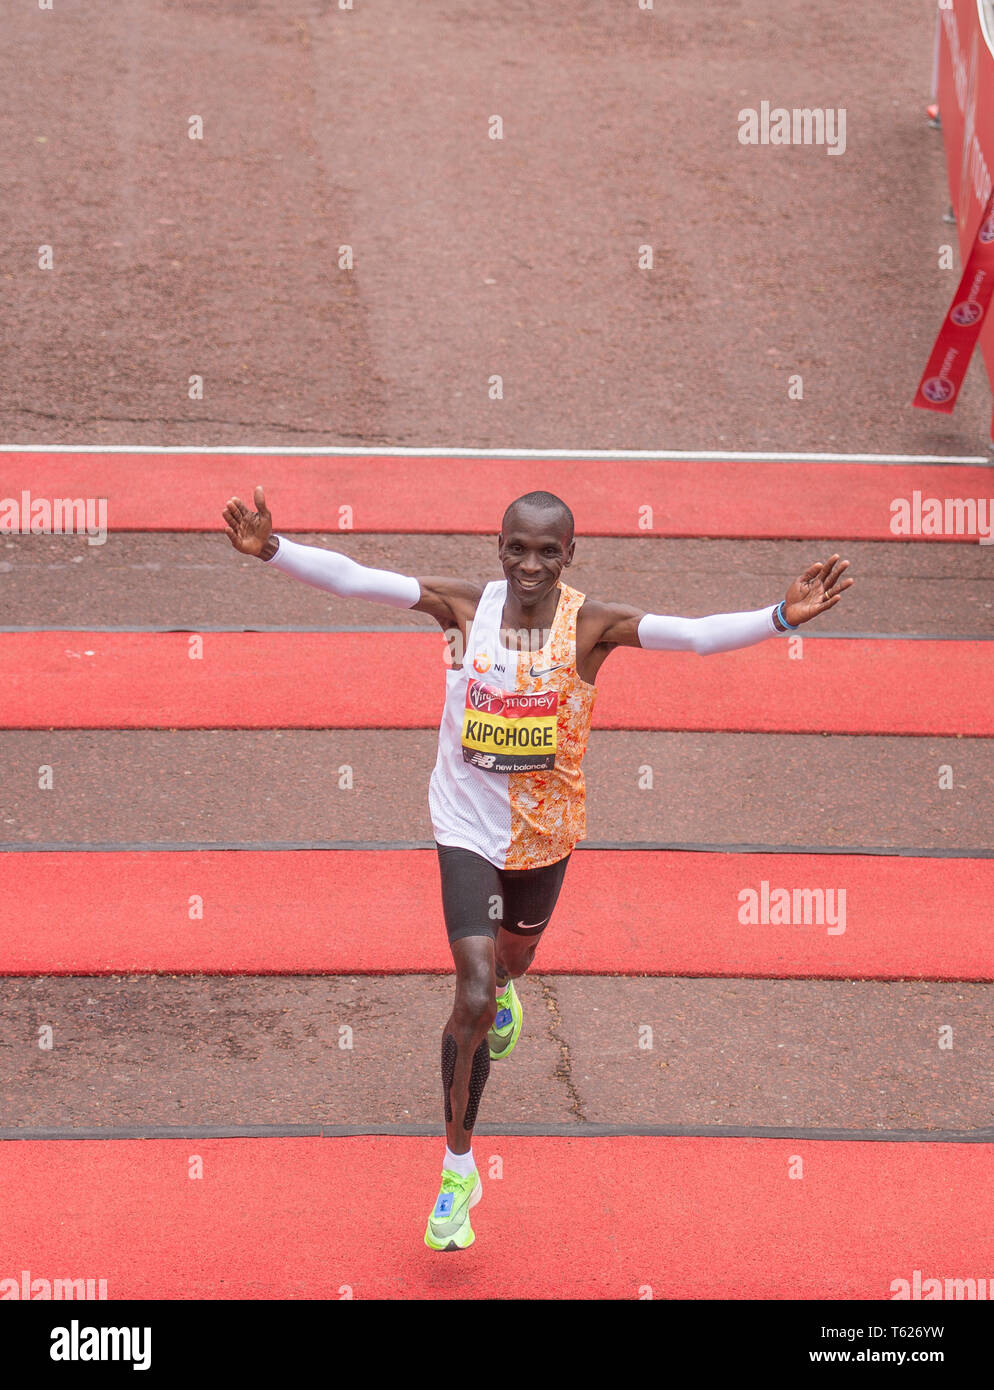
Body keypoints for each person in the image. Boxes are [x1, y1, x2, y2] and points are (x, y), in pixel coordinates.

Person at [222, 484, 854, 1251]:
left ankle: (513, 984)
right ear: (498, 547)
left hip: (545, 837)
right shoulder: (462, 610)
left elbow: (694, 636)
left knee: (513, 963)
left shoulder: (591, 627)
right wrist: (272, 548)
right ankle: (459, 1168)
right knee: (474, 990)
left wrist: (780, 615)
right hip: (464, 827)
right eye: (516, 548)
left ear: (569, 555)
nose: (530, 564)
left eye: (546, 551)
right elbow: (358, 578)